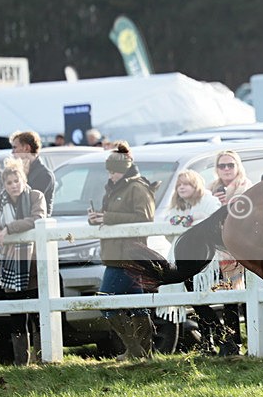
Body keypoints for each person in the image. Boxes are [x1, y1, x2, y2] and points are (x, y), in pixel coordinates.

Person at [88, 142, 158, 359]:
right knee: (137, 306)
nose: (111, 176)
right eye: (109, 171)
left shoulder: (137, 187)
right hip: (116, 255)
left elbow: (145, 218)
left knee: (106, 303)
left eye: (114, 171)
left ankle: (136, 351)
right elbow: (117, 216)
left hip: (126, 257)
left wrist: (107, 217)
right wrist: (98, 217)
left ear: (125, 169)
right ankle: (141, 353)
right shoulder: (115, 188)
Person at [0, 159, 47, 364]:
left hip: (34, 265)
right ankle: (21, 362)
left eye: (16, 180)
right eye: (9, 182)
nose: (13, 185)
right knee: (18, 317)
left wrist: (10, 227)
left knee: (38, 316)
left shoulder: (36, 196)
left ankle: (43, 359)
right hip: (11, 265)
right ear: (4, 185)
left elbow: (37, 218)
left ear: (23, 179)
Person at [161, 170, 225, 355]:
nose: (181, 187)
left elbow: (214, 225)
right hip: (183, 259)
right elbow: (168, 226)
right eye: (179, 184)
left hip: (206, 260)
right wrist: (189, 219)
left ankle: (218, 335)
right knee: (195, 300)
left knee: (202, 298)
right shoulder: (176, 206)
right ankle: (209, 342)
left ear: (196, 185)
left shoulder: (209, 201)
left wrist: (192, 220)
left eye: (186, 184)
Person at [208, 150, 253, 354]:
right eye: (222, 166)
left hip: (237, 251)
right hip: (214, 251)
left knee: (232, 299)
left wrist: (226, 204)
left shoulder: (246, 187)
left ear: (238, 166)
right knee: (203, 296)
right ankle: (217, 339)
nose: (226, 169)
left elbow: (247, 215)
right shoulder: (210, 189)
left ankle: (235, 343)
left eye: (230, 165)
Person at [9, 131, 56, 215]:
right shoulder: (19, 172)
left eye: (15, 147)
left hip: (37, 225)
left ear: (26, 148)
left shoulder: (44, 174)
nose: (12, 152)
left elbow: (28, 203)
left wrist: (24, 179)